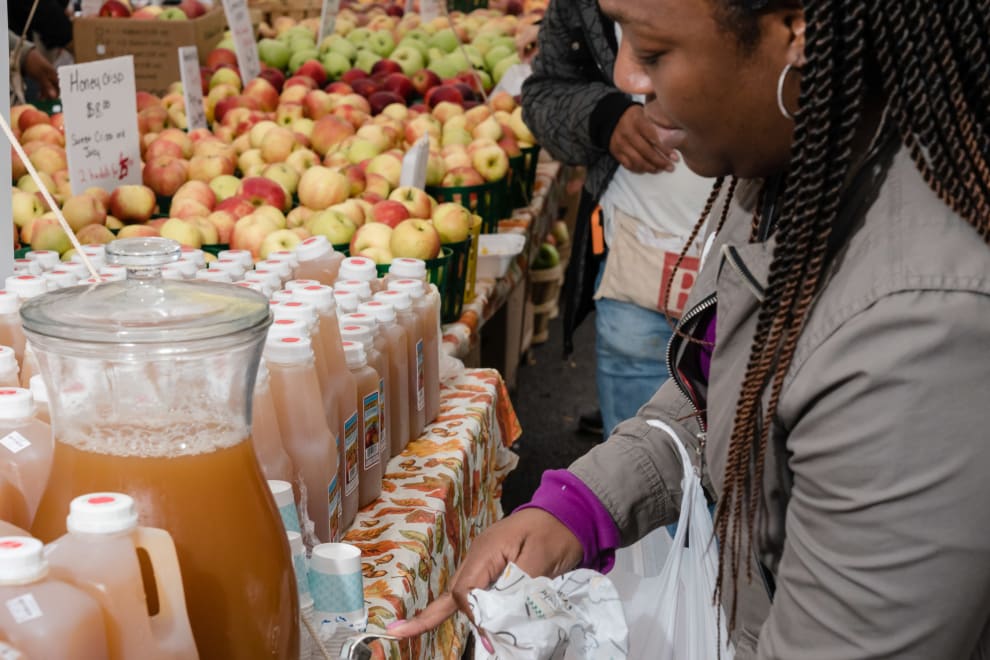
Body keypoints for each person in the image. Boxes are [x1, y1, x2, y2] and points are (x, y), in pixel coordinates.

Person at [390, 0, 990, 656]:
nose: (626, 78)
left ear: (797, 32)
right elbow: (716, 381)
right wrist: (581, 506)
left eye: (651, 51)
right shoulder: (792, 166)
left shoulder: (920, 329)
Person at [520, 0, 713, 440]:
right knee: (642, 467)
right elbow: (545, 90)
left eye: (656, 50)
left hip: (771, 282)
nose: (629, 78)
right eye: (622, 32)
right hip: (638, 273)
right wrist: (602, 118)